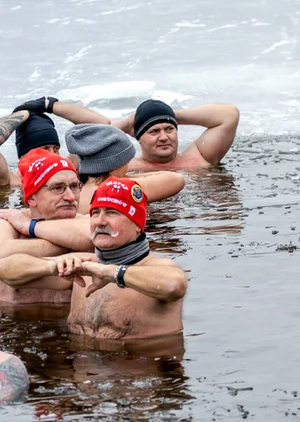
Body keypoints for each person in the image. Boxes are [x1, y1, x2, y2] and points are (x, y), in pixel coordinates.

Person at [0, 177, 186, 339]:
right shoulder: (85, 265)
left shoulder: (156, 267)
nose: (100, 221)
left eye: (112, 212)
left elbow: (174, 286)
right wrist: (50, 265)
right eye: (95, 213)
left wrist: (112, 272)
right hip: (81, 374)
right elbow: (6, 271)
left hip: (141, 371)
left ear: (138, 225)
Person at [0, 150, 87, 304]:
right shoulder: (7, 223)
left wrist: (31, 227)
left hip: (62, 325)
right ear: (32, 197)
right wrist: (69, 242)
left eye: (74, 186)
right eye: (58, 188)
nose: (71, 197)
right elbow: (2, 254)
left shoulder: (85, 222)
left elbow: (91, 236)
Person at [65, 124, 185, 212]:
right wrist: (122, 179)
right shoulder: (116, 190)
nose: (127, 167)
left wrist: (120, 176)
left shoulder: (79, 192)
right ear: (113, 164)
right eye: (126, 162)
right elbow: (176, 179)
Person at [0, 96, 111, 186]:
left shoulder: (69, 168)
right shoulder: (10, 181)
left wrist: (49, 104)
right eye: (45, 149)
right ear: (24, 154)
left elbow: (102, 126)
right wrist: (21, 113)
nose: (53, 155)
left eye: (56, 149)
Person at [111, 99, 240, 170]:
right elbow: (92, 139)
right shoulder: (127, 167)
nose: (163, 137)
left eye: (169, 129)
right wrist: (126, 124)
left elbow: (229, 115)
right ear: (139, 139)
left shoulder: (200, 157)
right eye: (154, 131)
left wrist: (173, 115)